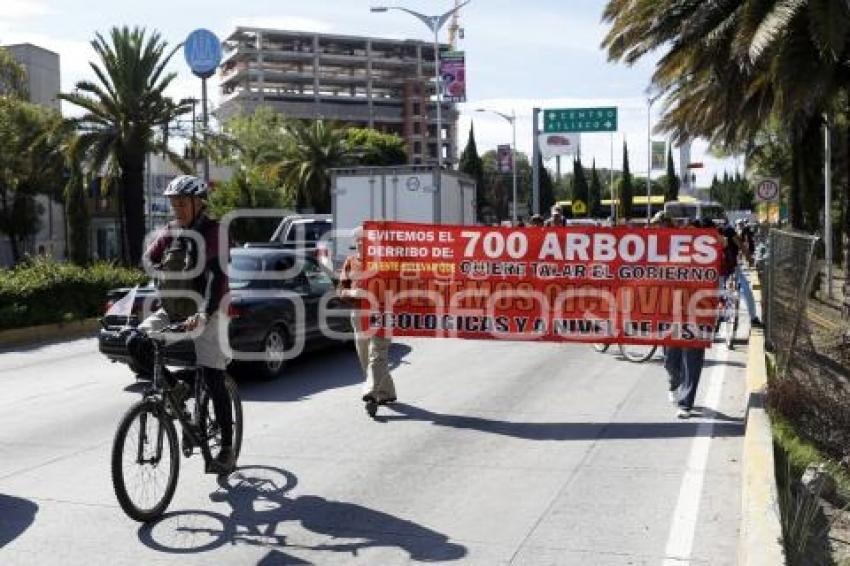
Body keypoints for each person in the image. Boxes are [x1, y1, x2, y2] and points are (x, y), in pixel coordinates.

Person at [125, 174, 236, 472]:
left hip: (209, 310)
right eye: (174, 203)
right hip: (173, 310)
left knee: (213, 377)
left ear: (199, 203)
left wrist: (203, 312)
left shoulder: (215, 232)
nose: (177, 209)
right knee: (135, 342)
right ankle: (175, 389)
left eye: (183, 203)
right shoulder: (171, 231)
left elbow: (216, 276)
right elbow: (148, 261)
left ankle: (226, 448)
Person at [338, 226, 396, 415]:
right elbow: (340, 290)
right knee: (364, 355)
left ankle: (370, 393)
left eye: (365, 240)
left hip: (382, 314)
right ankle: (386, 392)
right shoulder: (351, 261)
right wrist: (352, 292)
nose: (361, 244)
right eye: (358, 241)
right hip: (358, 314)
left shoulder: (384, 262)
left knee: (377, 354)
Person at [663, 217, 710, 418]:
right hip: (671, 310)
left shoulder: (709, 253)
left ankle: (686, 402)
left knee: (692, 357)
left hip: (697, 312)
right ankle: (677, 382)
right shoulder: (670, 251)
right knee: (670, 359)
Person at [719, 218, 762, 327]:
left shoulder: (707, 232)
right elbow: (741, 245)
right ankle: (753, 317)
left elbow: (742, 245)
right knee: (746, 290)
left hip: (718, 269)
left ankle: (718, 315)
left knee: (718, 291)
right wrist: (749, 259)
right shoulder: (728, 231)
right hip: (731, 267)